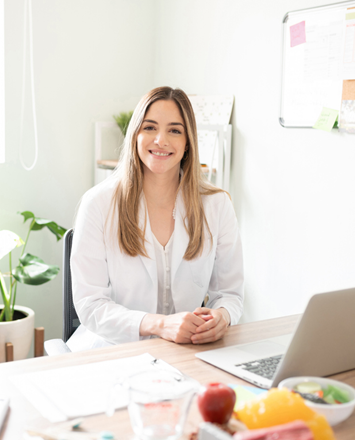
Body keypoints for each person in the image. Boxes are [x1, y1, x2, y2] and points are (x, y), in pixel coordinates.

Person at [67, 86, 243, 352]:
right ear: (135, 135)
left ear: (188, 143)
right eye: (149, 127)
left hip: (188, 351)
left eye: (174, 130)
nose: (161, 140)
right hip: (112, 349)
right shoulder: (98, 204)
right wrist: (158, 325)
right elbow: (90, 305)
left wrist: (222, 316)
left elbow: (229, 294)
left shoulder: (217, 205)